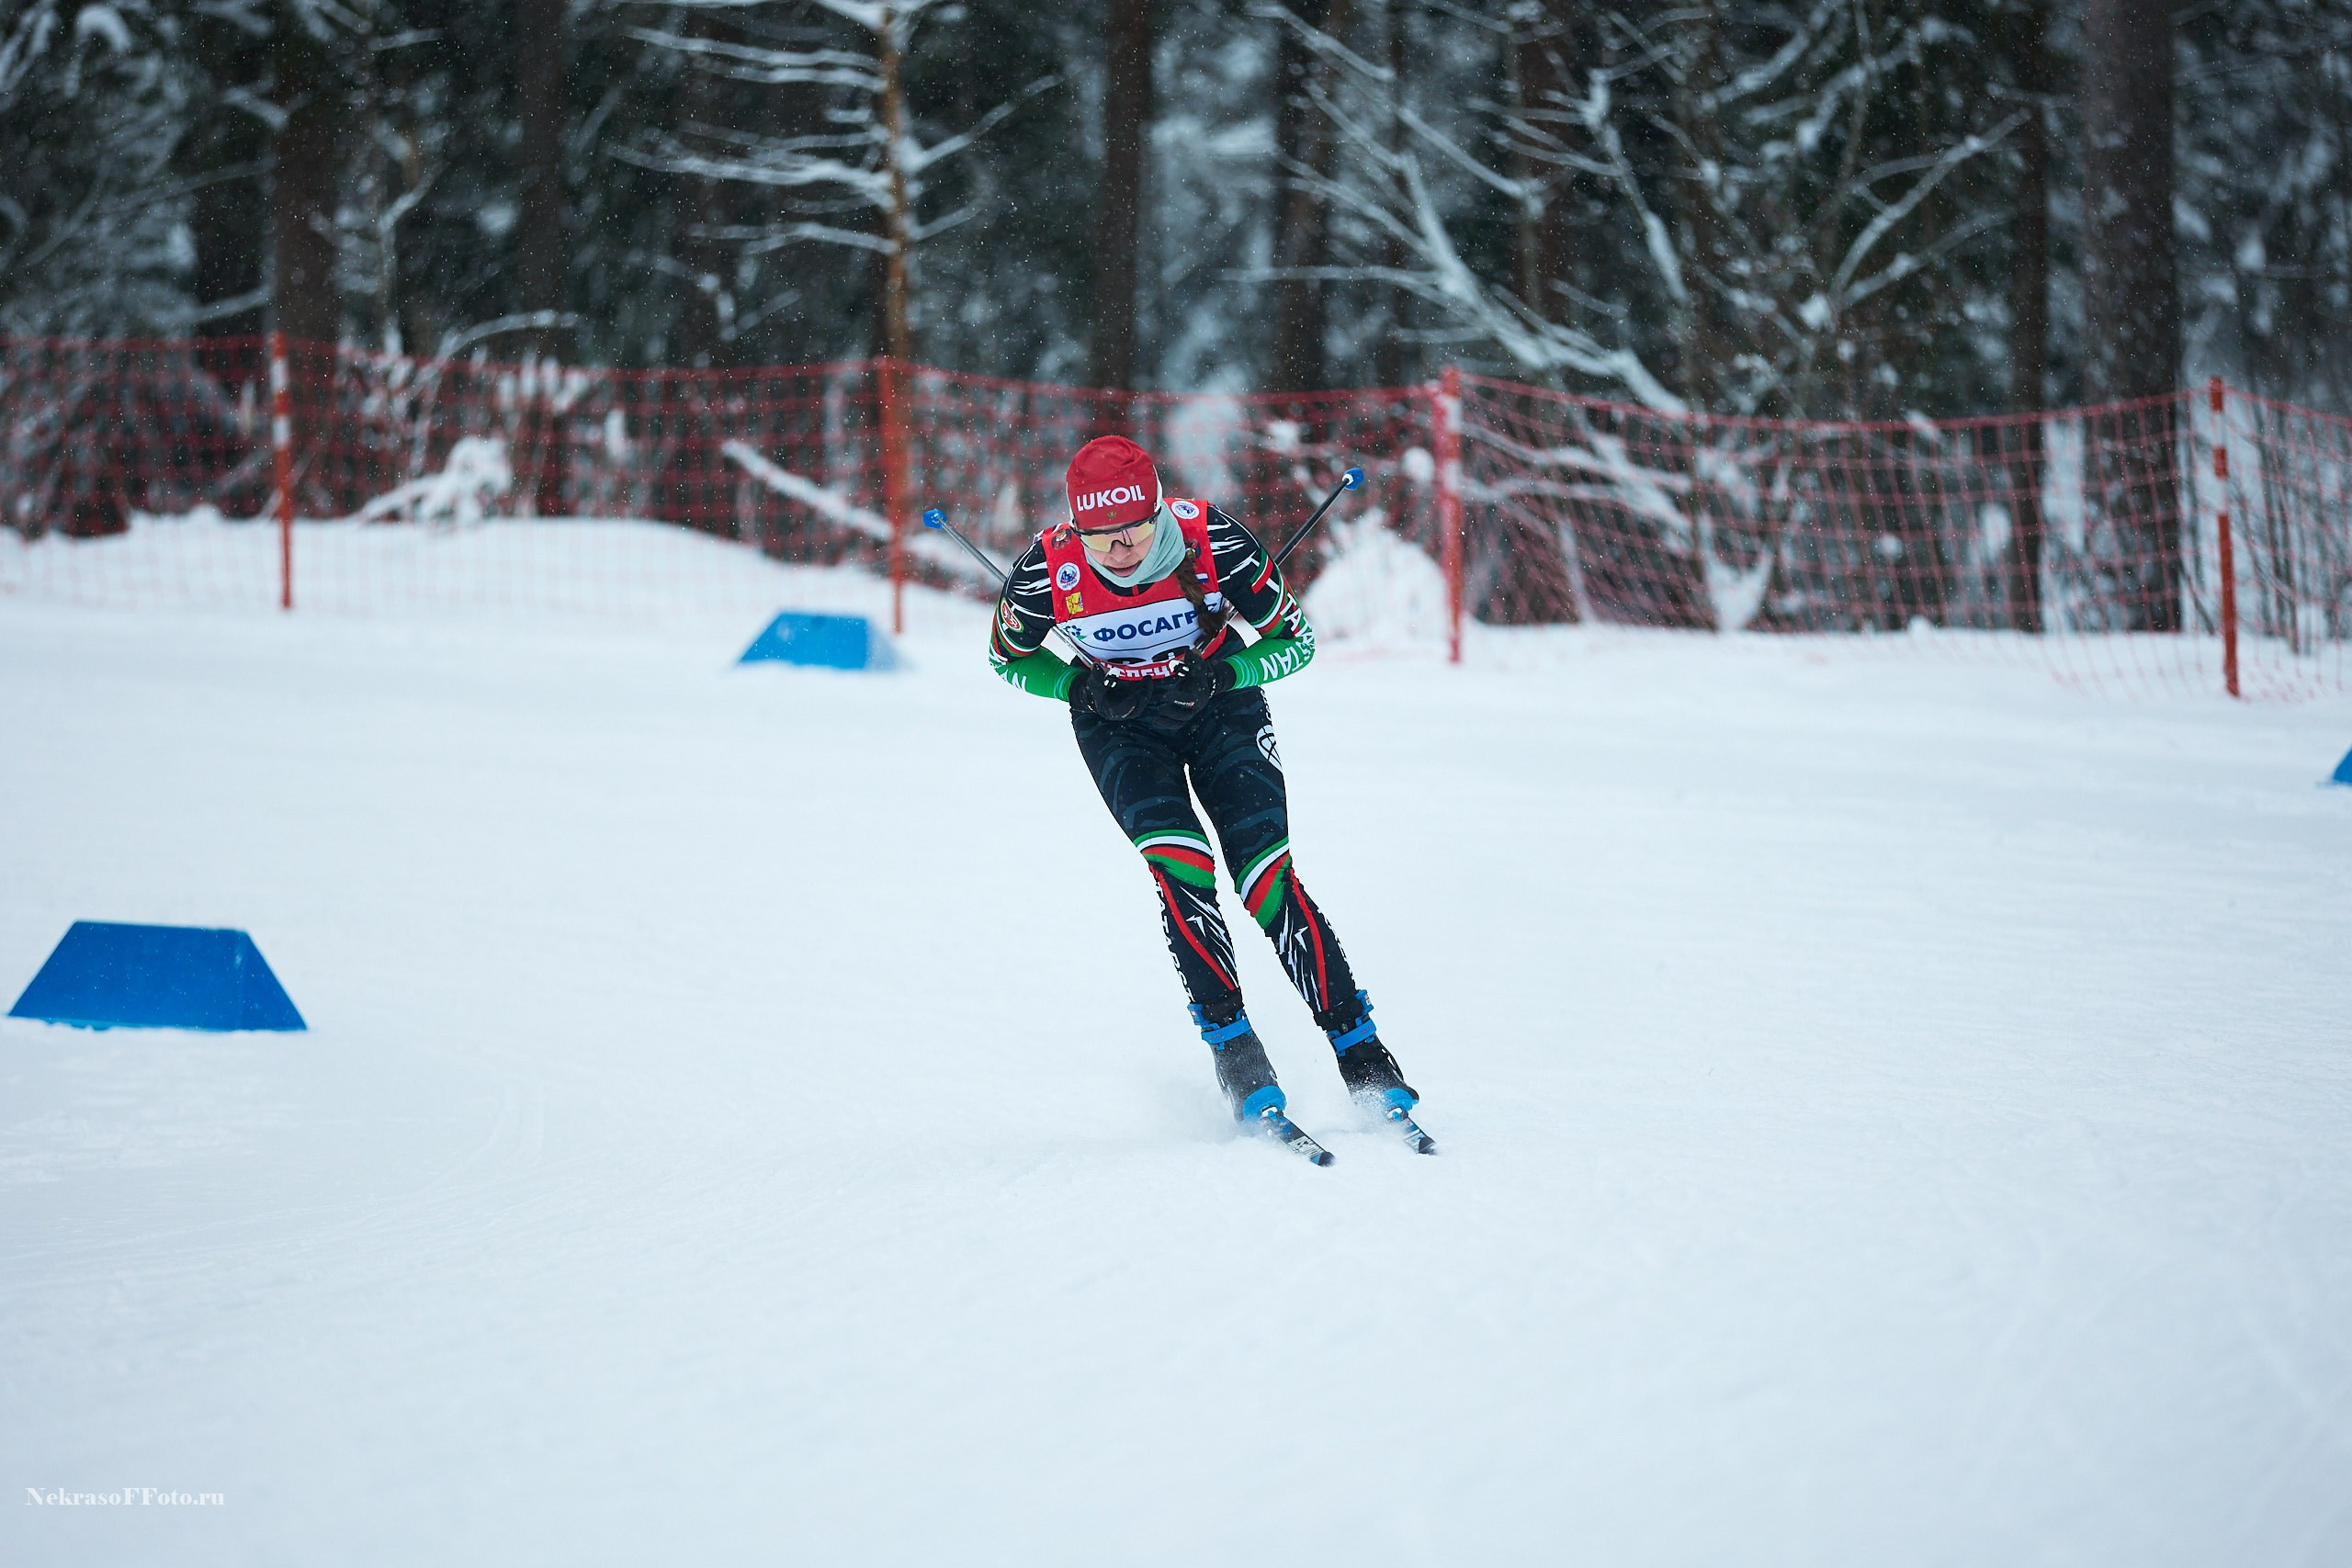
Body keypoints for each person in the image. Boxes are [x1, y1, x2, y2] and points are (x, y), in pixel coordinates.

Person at [986, 434, 1432, 1157]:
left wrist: (1224, 676)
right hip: (1118, 725)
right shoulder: (1049, 569)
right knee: (1181, 866)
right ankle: (1238, 1056)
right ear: (1076, 530)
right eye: (1101, 539)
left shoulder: (1211, 541)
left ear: (1159, 511)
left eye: (1133, 531)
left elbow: (1296, 640)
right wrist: (1077, 683)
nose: (1120, 551)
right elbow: (1007, 657)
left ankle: (1363, 1054)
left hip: (1221, 707)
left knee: (1266, 880)